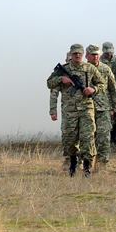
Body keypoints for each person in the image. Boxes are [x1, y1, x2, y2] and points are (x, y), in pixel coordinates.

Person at [46, 44, 103, 176]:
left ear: (83, 55)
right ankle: (72, 162)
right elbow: (49, 83)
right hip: (69, 110)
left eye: (79, 53)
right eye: (75, 53)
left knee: (88, 137)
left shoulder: (90, 68)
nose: (77, 55)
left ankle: (87, 166)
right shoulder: (63, 69)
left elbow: (101, 83)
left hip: (86, 109)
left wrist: (93, 89)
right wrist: (62, 79)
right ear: (71, 55)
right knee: (69, 139)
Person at [85, 44, 116, 167]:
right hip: (86, 108)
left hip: (103, 108)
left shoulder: (105, 69)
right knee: (88, 137)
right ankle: (88, 163)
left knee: (104, 136)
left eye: (97, 54)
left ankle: (102, 164)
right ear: (87, 55)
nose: (95, 57)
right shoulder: (82, 69)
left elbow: (113, 89)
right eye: (93, 54)